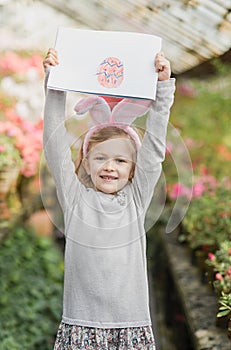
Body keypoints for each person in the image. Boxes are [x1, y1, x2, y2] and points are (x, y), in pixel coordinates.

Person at [43, 47, 175, 350]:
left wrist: (163, 88)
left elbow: (154, 148)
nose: (109, 166)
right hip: (82, 324)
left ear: (133, 170)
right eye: (100, 157)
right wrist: (54, 85)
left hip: (130, 326)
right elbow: (54, 145)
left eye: (120, 160)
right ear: (86, 162)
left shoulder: (136, 199)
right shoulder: (75, 199)